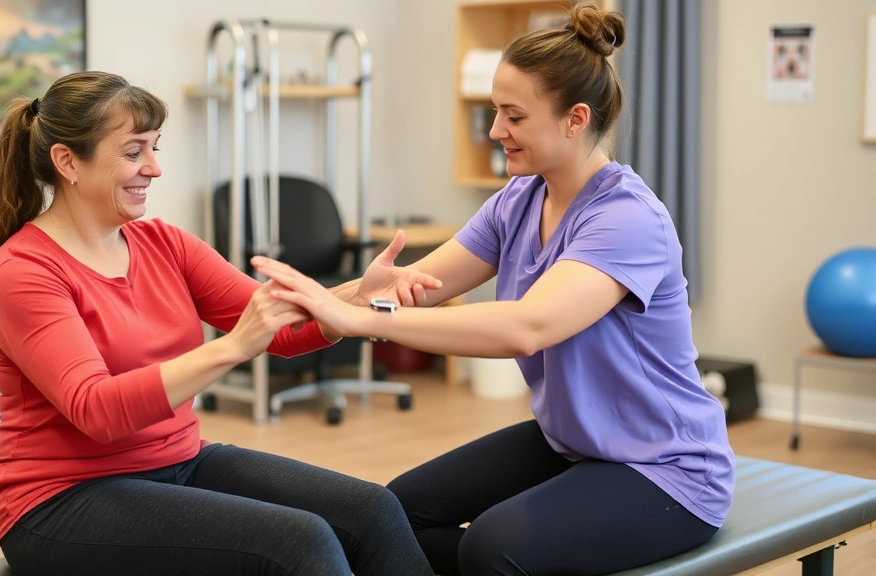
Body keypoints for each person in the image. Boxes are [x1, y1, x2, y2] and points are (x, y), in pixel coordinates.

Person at [250, 4, 735, 575]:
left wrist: (367, 319)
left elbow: (527, 327)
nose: (496, 130)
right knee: (392, 516)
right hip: (575, 445)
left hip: (668, 470)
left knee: (491, 547)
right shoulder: (519, 200)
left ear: (575, 119)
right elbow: (421, 284)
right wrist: (331, 299)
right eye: (495, 111)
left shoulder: (626, 219)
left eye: (514, 116)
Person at [0, 70, 439, 576]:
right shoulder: (27, 271)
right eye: (133, 152)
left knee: (373, 510)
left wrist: (353, 298)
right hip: (61, 499)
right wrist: (233, 347)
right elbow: (96, 410)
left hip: (179, 460)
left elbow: (278, 327)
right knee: (300, 543)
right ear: (67, 162)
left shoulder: (164, 244)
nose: (154, 168)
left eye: (154, 148)